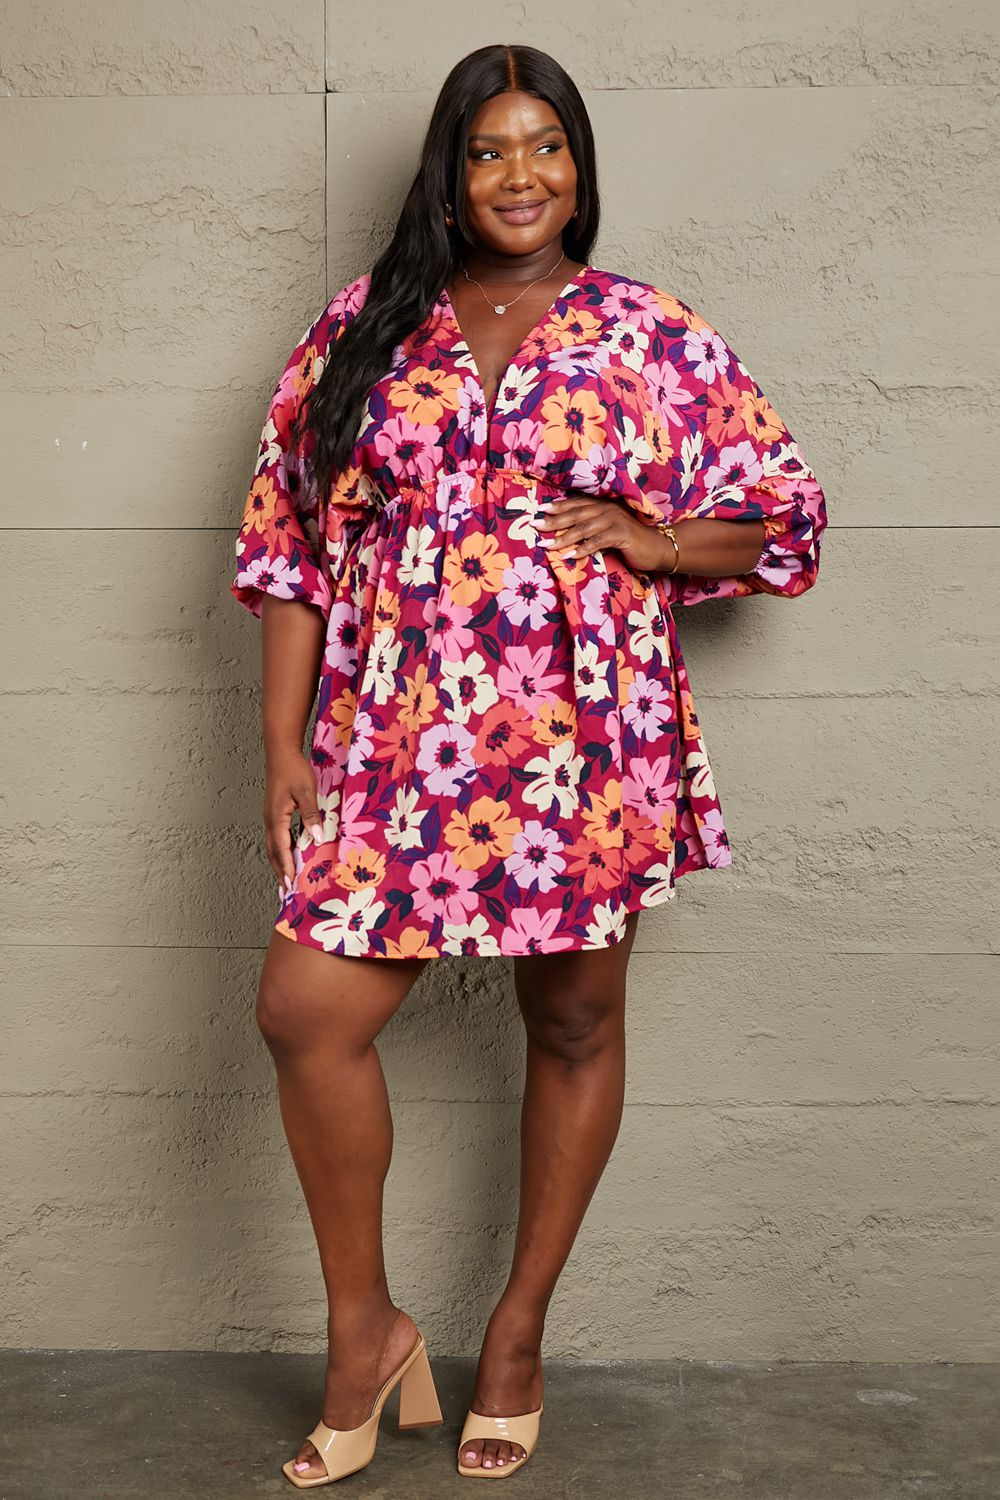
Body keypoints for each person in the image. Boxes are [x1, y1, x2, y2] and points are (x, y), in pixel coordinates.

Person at [230, 42, 827, 1489]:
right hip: (397, 734)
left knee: (571, 1021)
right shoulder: (365, 328)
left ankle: (515, 1337)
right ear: (449, 173)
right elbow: (288, 543)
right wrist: (284, 745)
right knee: (306, 1010)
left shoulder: (649, 330)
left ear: (580, 167)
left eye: (546, 145)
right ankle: (367, 1335)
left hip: (582, 734)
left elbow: (786, 517)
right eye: (489, 148)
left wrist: (654, 538)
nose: (520, 174)